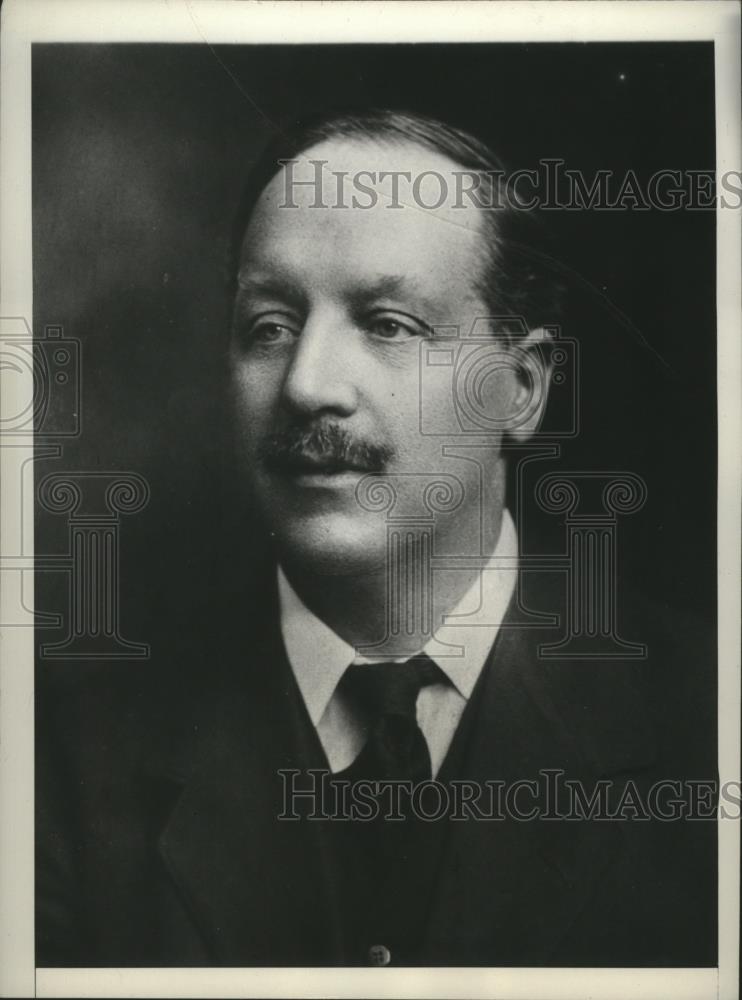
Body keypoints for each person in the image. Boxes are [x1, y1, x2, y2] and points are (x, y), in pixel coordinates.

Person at [36, 109, 717, 968]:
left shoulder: (708, 721)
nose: (308, 384)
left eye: (389, 323)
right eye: (270, 326)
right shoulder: (58, 752)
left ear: (521, 389)